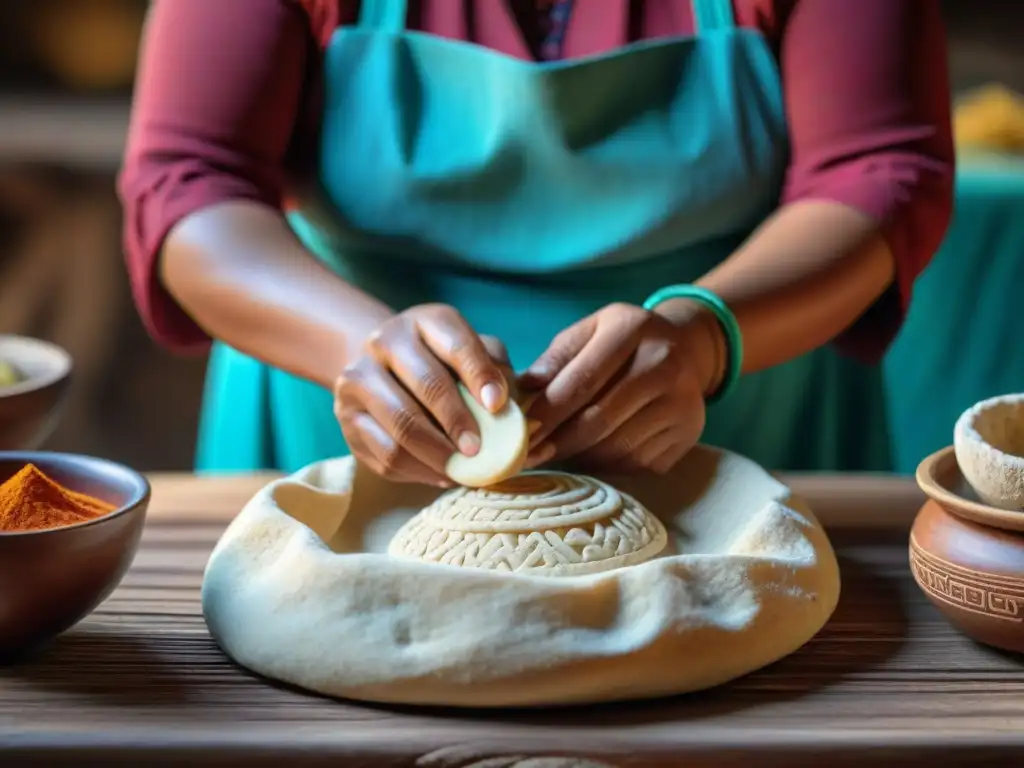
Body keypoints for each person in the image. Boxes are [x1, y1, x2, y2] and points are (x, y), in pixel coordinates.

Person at [119, 0, 954, 482]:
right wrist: (359, 351)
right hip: (336, 438)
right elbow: (189, 177)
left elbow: (876, 169)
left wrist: (705, 334)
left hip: (743, 421)